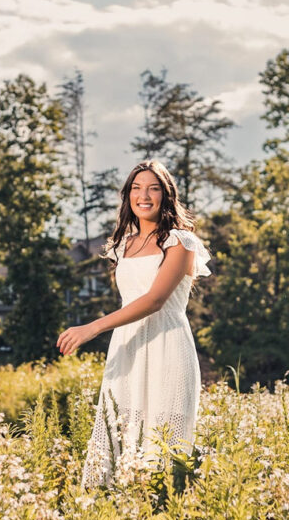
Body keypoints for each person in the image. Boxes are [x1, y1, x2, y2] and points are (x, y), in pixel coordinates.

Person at [57, 160, 211, 489]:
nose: (144, 195)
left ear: (166, 196)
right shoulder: (122, 245)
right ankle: (111, 514)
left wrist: (91, 328)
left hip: (168, 346)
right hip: (127, 348)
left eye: (153, 188)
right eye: (136, 188)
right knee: (119, 431)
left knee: (167, 443)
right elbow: (130, 300)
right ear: (128, 196)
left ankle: (169, 517)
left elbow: (155, 299)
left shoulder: (181, 242)